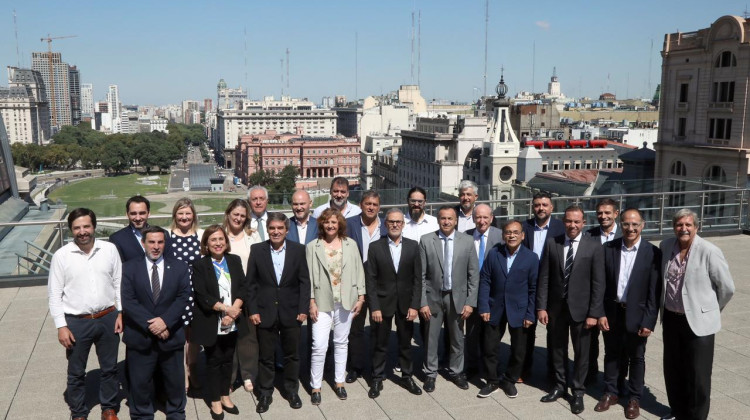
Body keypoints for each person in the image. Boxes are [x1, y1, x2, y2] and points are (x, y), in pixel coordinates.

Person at [659, 209, 735, 420]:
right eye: (679, 225)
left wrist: (709, 310)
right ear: (674, 227)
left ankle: (697, 416)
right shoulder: (666, 246)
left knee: (699, 375)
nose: (683, 228)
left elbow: (727, 288)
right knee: (674, 369)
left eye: (688, 225)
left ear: (696, 227)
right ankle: (678, 411)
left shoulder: (709, 250)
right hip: (672, 318)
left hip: (699, 323)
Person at [48, 208, 122, 420]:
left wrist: (121, 313)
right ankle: (79, 412)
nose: (82, 231)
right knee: (76, 372)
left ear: (94, 227)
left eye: (86, 226)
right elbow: (54, 294)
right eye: (77, 227)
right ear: (71, 230)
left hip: (108, 317)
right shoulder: (61, 256)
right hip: (76, 322)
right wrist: (61, 326)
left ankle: (108, 408)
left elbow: (118, 283)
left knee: (109, 368)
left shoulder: (109, 249)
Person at [537, 205, 605, 414]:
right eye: (568, 221)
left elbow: (598, 283)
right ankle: (559, 386)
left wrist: (594, 313)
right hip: (556, 309)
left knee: (582, 352)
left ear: (583, 223)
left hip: (582, 311)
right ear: (563, 221)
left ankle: (577, 391)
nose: (572, 225)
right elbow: (544, 278)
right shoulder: (552, 243)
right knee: (557, 349)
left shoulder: (593, 246)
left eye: (577, 222)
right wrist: (541, 306)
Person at [594, 209, 661, 419]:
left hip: (638, 315)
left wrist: (649, 320)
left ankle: (634, 398)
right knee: (612, 354)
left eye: (635, 225)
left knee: (636, 357)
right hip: (612, 312)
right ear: (620, 224)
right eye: (626, 224)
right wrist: (600, 313)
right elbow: (600, 285)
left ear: (642, 226)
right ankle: (611, 392)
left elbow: (654, 292)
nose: (630, 229)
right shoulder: (608, 248)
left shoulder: (652, 253)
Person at [121, 226, 191, 419]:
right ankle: (142, 414)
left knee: (174, 382)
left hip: (171, 335)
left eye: (160, 242)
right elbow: (128, 301)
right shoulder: (129, 267)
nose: (156, 246)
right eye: (151, 242)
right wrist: (153, 325)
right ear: (143, 243)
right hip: (141, 337)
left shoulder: (179, 266)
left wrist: (165, 321)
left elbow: (183, 297)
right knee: (140, 383)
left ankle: (176, 412)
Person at [247, 213, 310, 413]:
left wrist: (303, 308)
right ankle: (265, 393)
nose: (276, 232)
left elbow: (304, 282)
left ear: (286, 230)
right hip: (265, 312)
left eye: (280, 228)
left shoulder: (299, 250)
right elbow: (251, 284)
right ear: (268, 228)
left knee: (292, 355)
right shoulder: (257, 250)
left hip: (291, 311)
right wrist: (253, 310)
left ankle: (291, 390)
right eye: (272, 228)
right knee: (266, 356)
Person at [307, 208, 366, 405]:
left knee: (341, 343)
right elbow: (308, 277)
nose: (331, 225)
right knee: (319, 345)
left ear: (339, 223)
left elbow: (359, 271)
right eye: (327, 222)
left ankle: (339, 382)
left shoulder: (350, 244)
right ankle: (316, 386)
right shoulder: (312, 246)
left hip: (346, 301)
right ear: (322, 225)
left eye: (334, 222)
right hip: (322, 303)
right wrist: (311, 302)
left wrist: (361, 297)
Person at [419, 206, 479, 392]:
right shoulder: (427, 240)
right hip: (433, 297)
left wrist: (470, 302)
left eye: (450, 219)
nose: (446, 222)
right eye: (443, 218)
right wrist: (422, 302)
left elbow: (473, 274)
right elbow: (420, 275)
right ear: (438, 220)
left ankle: (456, 371)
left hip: (458, 298)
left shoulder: (467, 241)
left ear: (456, 221)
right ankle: (430, 373)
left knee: (457, 337)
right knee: (431, 337)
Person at [191, 225, 248, 419]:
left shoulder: (234, 260)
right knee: (214, 361)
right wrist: (226, 309)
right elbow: (202, 295)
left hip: (233, 320)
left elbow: (242, 287)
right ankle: (215, 400)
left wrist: (233, 312)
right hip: (212, 321)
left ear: (226, 241)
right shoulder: (200, 265)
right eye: (213, 240)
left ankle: (225, 395)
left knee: (228, 360)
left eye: (221, 239)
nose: (218, 243)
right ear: (206, 243)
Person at [365, 208, 423, 398]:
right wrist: (374, 307)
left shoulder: (413, 246)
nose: (395, 225)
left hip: (406, 305)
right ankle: (377, 377)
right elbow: (370, 280)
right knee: (379, 344)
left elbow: (417, 279)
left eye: (398, 222)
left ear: (403, 224)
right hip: (382, 304)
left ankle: (407, 376)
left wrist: (415, 305)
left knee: (405, 343)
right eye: (391, 222)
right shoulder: (375, 247)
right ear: (385, 224)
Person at [477, 220, 538, 399]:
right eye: (508, 232)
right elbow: (485, 280)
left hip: (519, 310)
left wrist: (530, 313)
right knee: (490, 347)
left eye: (515, 232)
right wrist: (483, 306)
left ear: (522, 235)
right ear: (503, 235)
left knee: (519, 350)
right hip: (494, 307)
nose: (511, 235)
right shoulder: (494, 253)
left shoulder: (531, 257)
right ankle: (492, 381)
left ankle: (509, 380)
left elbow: (534, 288)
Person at [520, 191, 565, 382]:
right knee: (525, 331)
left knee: (554, 333)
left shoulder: (562, 228)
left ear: (552, 207)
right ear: (532, 207)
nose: (541, 208)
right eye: (537, 204)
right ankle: (524, 369)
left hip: (552, 287)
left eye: (544, 205)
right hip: (528, 286)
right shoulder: (523, 227)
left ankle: (552, 373)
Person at [344, 190, 387, 383]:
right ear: (361, 205)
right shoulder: (349, 224)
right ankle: (356, 366)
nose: (371, 208)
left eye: (375, 205)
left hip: (380, 285)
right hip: (355, 285)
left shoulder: (386, 226)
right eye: (367, 204)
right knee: (356, 328)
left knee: (379, 328)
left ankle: (378, 367)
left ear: (379, 207)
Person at [221, 199, 262, 393]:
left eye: (242, 215)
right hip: (225, 296)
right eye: (235, 214)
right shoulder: (219, 236)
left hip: (249, 294)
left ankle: (248, 374)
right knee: (227, 339)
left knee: (248, 338)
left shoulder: (252, 236)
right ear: (228, 213)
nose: (238, 218)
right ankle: (228, 376)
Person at [464, 203, 504, 377]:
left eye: (485, 217)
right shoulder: (465, 237)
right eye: (478, 217)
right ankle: (472, 365)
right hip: (471, 292)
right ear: (473, 218)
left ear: (492, 218)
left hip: (493, 293)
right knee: (471, 332)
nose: (481, 221)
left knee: (491, 334)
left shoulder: (501, 237)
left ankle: (490, 367)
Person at [168, 198, 203, 392]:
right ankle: (182, 374)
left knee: (194, 338)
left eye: (188, 213)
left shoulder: (200, 235)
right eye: (180, 213)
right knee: (179, 336)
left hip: (197, 293)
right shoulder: (167, 237)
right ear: (175, 215)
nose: (184, 217)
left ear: (193, 215)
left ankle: (193, 370)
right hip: (176, 294)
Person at [585, 198, 621, 384]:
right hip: (592, 299)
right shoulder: (588, 235)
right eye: (600, 213)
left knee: (614, 345)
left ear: (616, 213)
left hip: (615, 301)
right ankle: (590, 376)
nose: (603, 216)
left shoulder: (627, 234)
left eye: (607, 213)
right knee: (590, 343)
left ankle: (614, 382)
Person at [110, 195, 167, 263]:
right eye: (133, 214)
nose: (138, 218)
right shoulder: (117, 239)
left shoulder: (163, 234)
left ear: (148, 213)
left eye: (142, 213)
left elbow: (169, 261)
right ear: (127, 214)